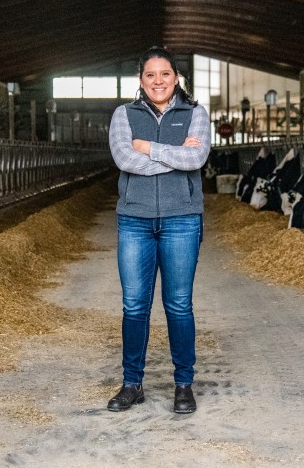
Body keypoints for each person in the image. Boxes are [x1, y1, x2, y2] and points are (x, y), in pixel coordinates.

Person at [107, 46, 211, 414]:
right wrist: (173, 156)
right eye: (150, 75)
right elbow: (123, 159)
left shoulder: (196, 113)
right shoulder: (124, 114)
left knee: (179, 305)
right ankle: (132, 384)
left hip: (182, 219)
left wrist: (147, 148)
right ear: (141, 80)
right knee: (135, 305)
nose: (158, 81)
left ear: (176, 77)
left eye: (164, 74)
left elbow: (197, 158)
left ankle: (184, 384)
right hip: (134, 219)